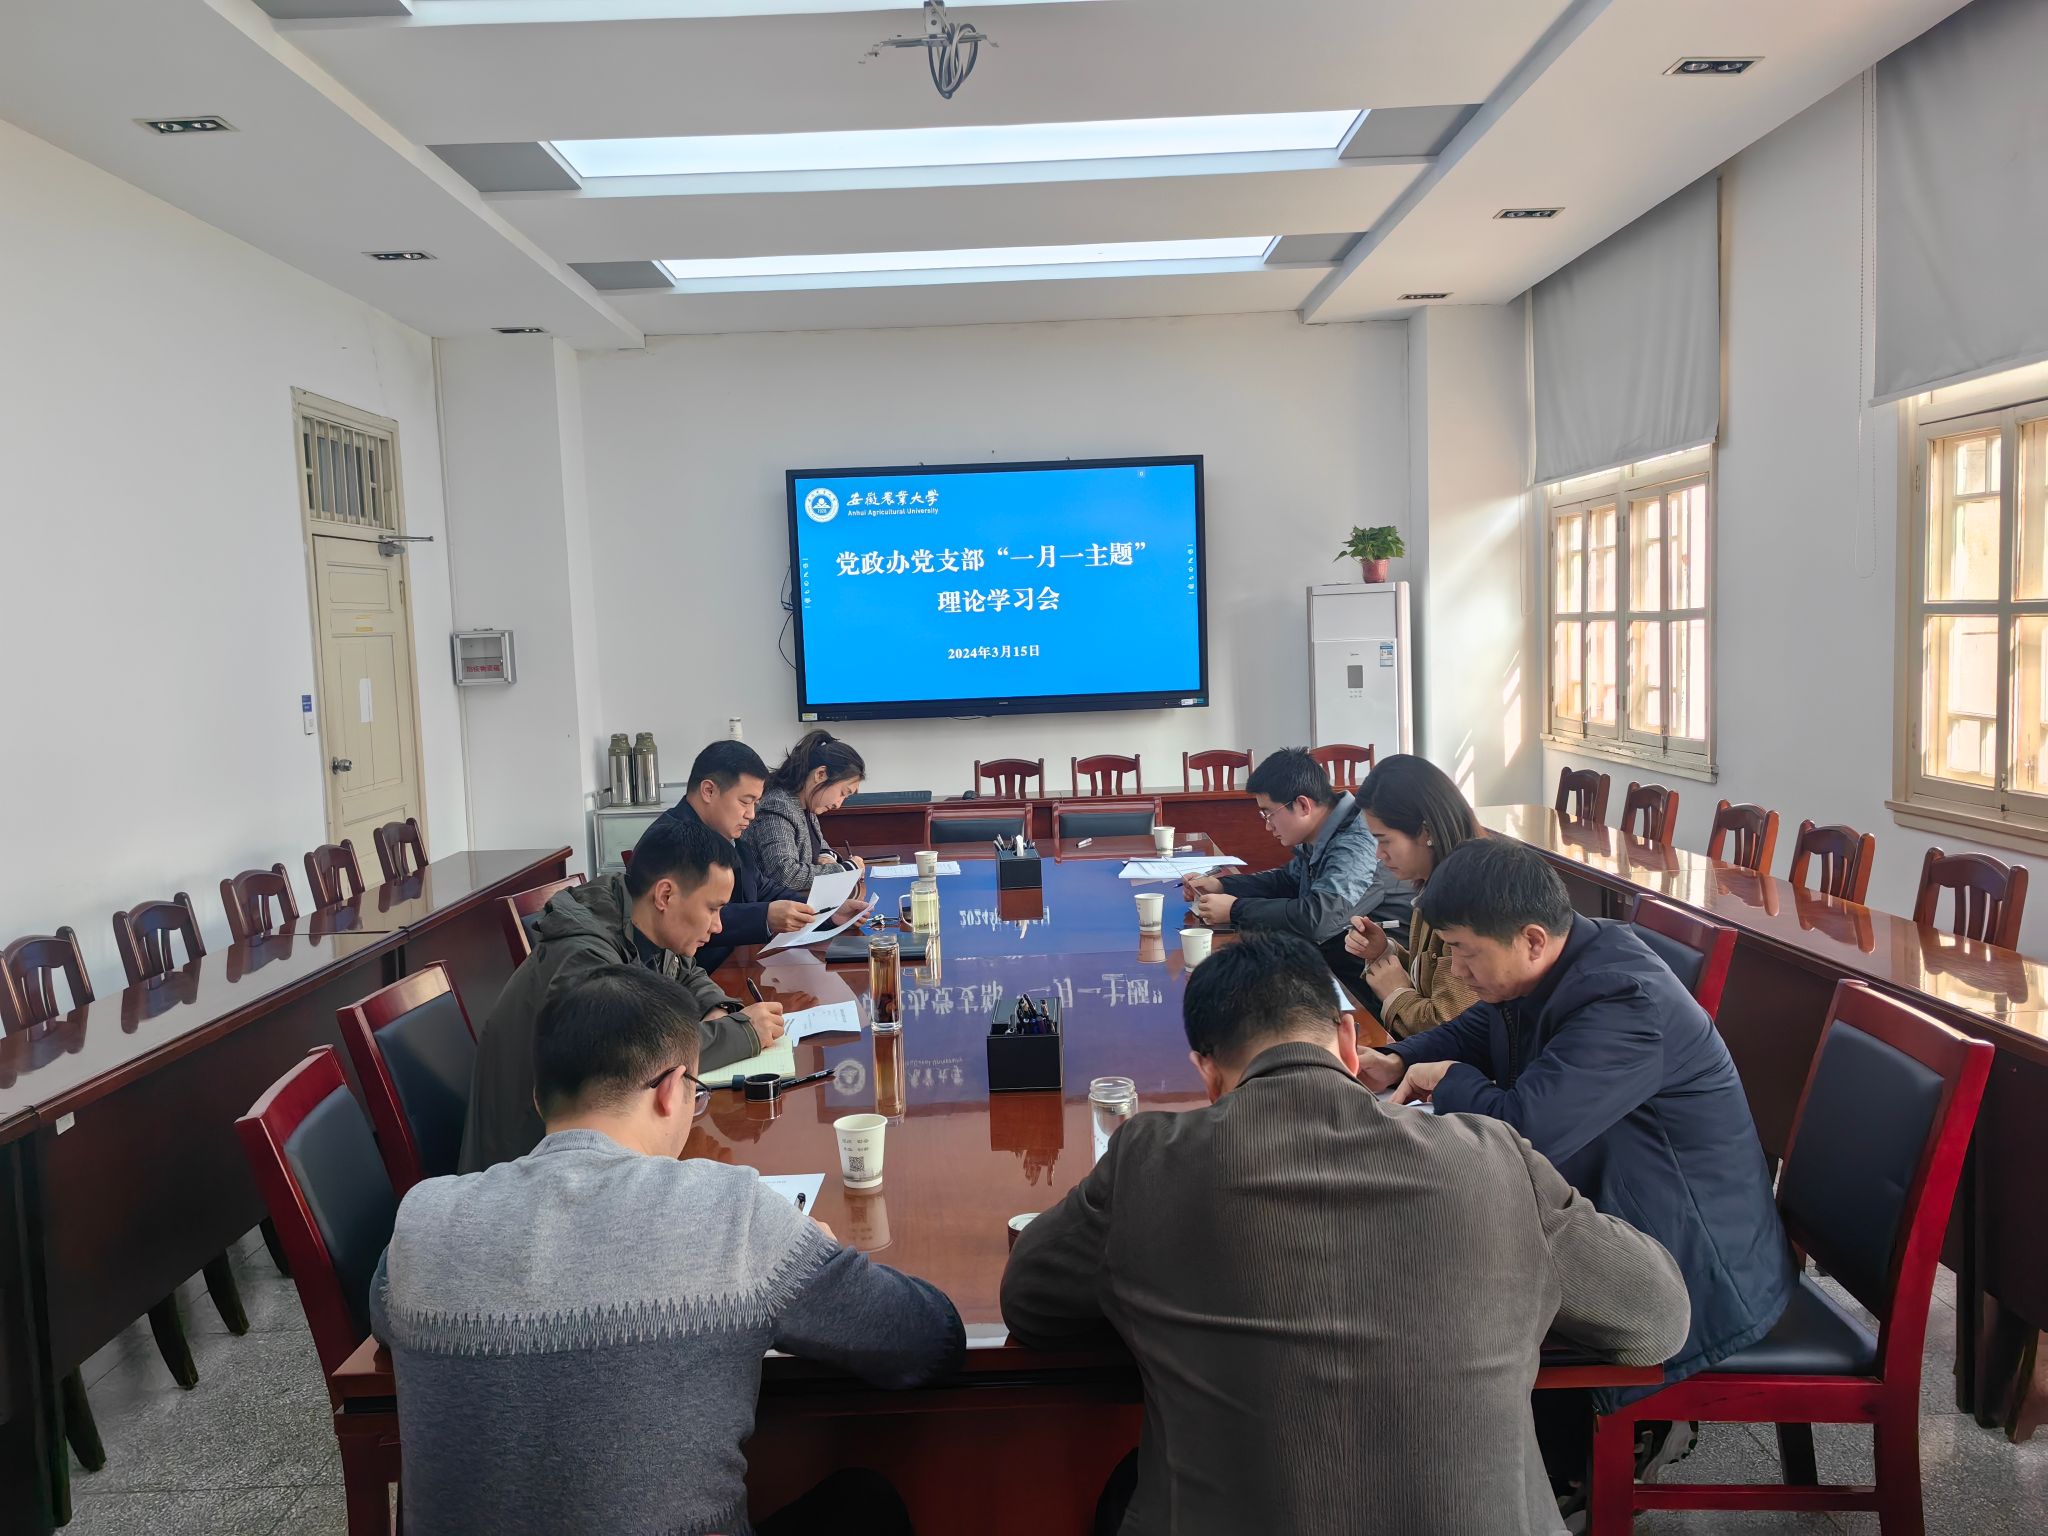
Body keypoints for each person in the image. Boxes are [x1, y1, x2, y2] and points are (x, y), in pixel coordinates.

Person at [1000, 931, 1690, 1536]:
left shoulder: (1150, 1161)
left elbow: (1030, 1302)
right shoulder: (1491, 1157)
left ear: (1207, 1074)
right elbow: (1657, 1318)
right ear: (1351, 1044)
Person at [378, 966, 963, 1536]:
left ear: (538, 1098)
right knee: (864, 1502)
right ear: (669, 1090)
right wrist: (818, 1259)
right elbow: (929, 1340)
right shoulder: (734, 1214)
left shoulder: (423, 1219)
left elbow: (386, 1316)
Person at [1358, 838, 1795, 1486]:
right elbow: (1485, 1025)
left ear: (1532, 939)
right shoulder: (1562, 958)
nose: (1456, 968)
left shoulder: (1624, 1001)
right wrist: (1400, 1058)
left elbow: (1525, 1131)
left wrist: (1448, 1079)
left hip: (1693, 1264)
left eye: (1464, 951)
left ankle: (1571, 1465)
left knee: (1450, 1270)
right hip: (1629, 1205)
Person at [459, 815, 786, 1174]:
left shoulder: (634, 914)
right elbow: (635, 1058)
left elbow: (684, 969)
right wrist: (742, 1033)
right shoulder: (586, 958)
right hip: (531, 1166)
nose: (719, 925)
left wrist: (716, 1007)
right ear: (665, 895)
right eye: (712, 908)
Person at [1180, 747, 1403, 969]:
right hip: (1329, 956)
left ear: (1303, 805)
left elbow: (1319, 919)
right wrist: (1222, 885)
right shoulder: (1325, 828)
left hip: (1362, 974)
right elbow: (1288, 881)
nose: (1268, 826)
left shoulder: (1355, 842)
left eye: (1269, 813)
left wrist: (1235, 909)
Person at [661, 739, 867, 970]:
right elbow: (689, 916)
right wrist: (764, 916)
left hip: (735, 962)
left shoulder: (723, 833)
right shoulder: (670, 841)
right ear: (709, 791)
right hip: (701, 971)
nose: (751, 814)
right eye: (745, 802)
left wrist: (829, 911)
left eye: (755, 803)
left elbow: (762, 887)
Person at [1341, 753, 1483, 1037]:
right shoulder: (1434, 880)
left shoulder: (1467, 899)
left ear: (1426, 831)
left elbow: (1450, 1025)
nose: (1379, 854)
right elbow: (1433, 978)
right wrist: (1384, 952)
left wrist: (1395, 993)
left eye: (1384, 840)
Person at [746, 730, 868, 896]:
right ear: (820, 774)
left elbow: (820, 846)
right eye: (842, 793)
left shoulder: (807, 805)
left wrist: (826, 857)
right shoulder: (777, 806)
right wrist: (847, 869)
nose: (838, 804)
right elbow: (786, 874)